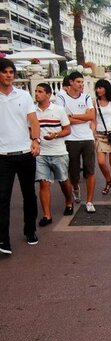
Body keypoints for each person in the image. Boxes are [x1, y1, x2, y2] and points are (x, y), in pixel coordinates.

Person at [0, 58, 41, 255]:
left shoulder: (23, 96)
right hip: (3, 157)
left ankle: (30, 230)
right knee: (2, 199)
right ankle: (3, 241)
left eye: (11, 72)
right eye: (5, 71)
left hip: (25, 154)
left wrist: (35, 141)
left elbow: (33, 121)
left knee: (29, 195)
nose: (9, 75)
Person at [55, 71, 97, 213]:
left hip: (87, 138)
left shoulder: (86, 97)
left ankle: (90, 201)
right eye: (78, 82)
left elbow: (91, 116)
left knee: (90, 170)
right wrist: (82, 118)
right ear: (71, 82)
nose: (81, 85)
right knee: (73, 173)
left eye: (82, 82)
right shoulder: (61, 97)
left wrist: (72, 116)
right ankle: (75, 188)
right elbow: (62, 119)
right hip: (70, 139)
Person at [34, 83, 74, 226]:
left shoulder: (58, 110)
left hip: (58, 152)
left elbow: (67, 130)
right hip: (41, 153)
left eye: (40, 91)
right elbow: (30, 130)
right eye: (36, 91)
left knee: (63, 180)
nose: (37, 94)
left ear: (48, 94)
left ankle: (69, 201)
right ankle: (47, 215)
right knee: (44, 183)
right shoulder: (33, 111)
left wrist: (55, 135)